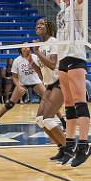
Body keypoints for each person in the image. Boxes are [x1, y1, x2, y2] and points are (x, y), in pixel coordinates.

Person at [54, 0, 91, 167]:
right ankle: (69, 146)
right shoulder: (63, 8)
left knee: (79, 101)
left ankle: (85, 144)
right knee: (68, 103)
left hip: (76, 56)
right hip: (63, 58)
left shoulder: (77, 8)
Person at [32, 18, 68, 161]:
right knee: (40, 120)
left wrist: (37, 52)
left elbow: (53, 65)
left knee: (47, 118)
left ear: (49, 27)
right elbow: (42, 73)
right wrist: (30, 61)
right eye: (37, 24)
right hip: (49, 84)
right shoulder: (41, 46)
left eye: (42, 24)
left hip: (60, 81)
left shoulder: (53, 42)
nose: (39, 26)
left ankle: (70, 149)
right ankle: (61, 148)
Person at [0, 46, 45, 126]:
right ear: (20, 50)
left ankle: (61, 120)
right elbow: (14, 77)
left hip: (35, 82)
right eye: (24, 47)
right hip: (23, 84)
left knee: (49, 99)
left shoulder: (35, 57)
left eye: (28, 46)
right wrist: (18, 86)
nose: (26, 48)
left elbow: (41, 70)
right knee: (10, 104)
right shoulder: (17, 60)